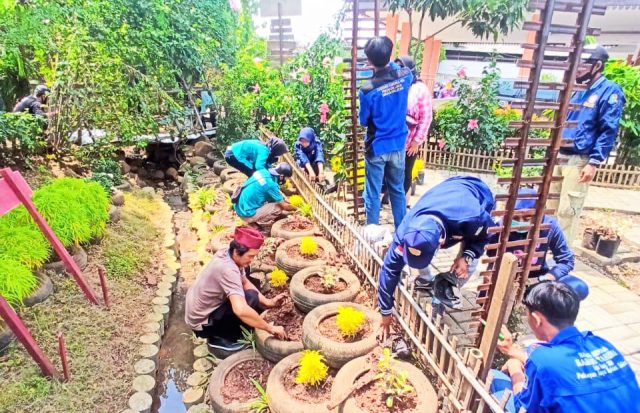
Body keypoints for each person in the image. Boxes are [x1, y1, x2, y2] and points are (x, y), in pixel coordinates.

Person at [491, 281, 640, 413]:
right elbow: (564, 370)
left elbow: (523, 407)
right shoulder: (602, 344)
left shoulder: (541, 359)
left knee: (495, 380)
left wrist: (514, 368)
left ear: (536, 319)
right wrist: (511, 351)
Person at [377, 176, 495, 340]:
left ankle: (443, 293)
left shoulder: (475, 218)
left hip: (477, 195)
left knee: (466, 266)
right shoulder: (406, 231)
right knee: (421, 252)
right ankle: (427, 280)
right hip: (446, 194)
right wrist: (385, 312)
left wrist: (467, 256)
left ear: (441, 242)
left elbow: (484, 236)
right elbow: (389, 271)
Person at [552, 44, 625, 243]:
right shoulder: (577, 91)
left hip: (579, 160)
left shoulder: (609, 91)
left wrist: (593, 162)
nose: (577, 70)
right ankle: (542, 254)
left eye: (582, 65)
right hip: (560, 156)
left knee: (567, 211)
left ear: (597, 65)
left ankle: (559, 259)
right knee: (550, 208)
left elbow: (608, 129)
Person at [185, 226, 288, 352]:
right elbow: (240, 310)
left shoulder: (226, 253)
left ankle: (230, 328)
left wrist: (268, 302)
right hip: (203, 324)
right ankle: (222, 338)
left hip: (203, 312)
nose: (252, 260)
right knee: (250, 297)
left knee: (248, 277)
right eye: (250, 256)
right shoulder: (227, 269)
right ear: (237, 251)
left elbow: (244, 282)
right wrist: (269, 328)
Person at [488, 188, 590, 300]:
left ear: (539, 215)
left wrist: (547, 278)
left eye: (527, 218)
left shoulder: (549, 226)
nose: (521, 222)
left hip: (536, 277)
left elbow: (566, 260)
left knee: (579, 288)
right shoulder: (501, 226)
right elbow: (491, 254)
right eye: (515, 218)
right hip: (505, 275)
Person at [358, 36, 413, 229]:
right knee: (397, 190)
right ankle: (402, 232)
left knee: (373, 192)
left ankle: (372, 234)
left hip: (377, 146)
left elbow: (363, 120)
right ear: (390, 54)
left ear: (369, 61)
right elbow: (396, 69)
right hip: (398, 144)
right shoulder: (406, 76)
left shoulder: (366, 91)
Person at [382, 56, 432, 207]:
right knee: (386, 170)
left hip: (409, 142)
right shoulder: (394, 85)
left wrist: (417, 142)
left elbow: (426, 118)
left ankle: (402, 205)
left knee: (405, 173)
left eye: (401, 68)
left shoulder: (420, 89)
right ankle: (384, 198)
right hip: (390, 139)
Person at [233, 162, 296, 229]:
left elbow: (272, 195)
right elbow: (284, 206)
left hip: (239, 207)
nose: (286, 180)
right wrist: (297, 208)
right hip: (245, 214)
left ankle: (251, 220)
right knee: (278, 208)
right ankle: (251, 222)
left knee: (272, 201)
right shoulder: (271, 185)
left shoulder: (263, 172)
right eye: (286, 178)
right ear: (281, 176)